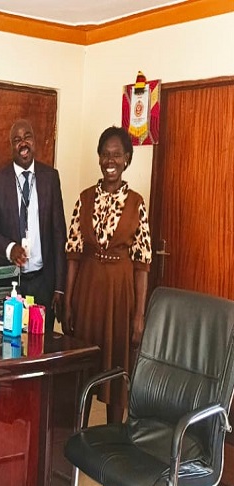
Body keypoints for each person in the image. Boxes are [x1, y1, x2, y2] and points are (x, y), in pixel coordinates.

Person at [63, 126, 151, 424]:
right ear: (98, 158)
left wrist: (139, 315)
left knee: (116, 367)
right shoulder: (85, 199)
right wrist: (68, 300)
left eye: (116, 155)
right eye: (104, 154)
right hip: (88, 294)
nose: (109, 160)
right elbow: (73, 254)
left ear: (127, 159)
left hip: (120, 296)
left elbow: (142, 264)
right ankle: (79, 433)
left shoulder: (137, 203)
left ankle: (114, 440)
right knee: (84, 367)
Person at [0, 118, 67, 332]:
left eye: (27, 137)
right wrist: (10, 249)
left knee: (42, 343)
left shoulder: (50, 178)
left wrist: (59, 287)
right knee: (11, 344)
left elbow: (59, 233)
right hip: (11, 281)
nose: (23, 143)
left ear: (35, 141)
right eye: (17, 140)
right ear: (11, 146)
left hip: (43, 281)